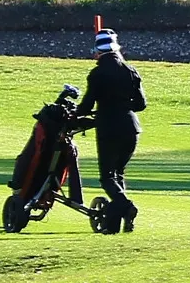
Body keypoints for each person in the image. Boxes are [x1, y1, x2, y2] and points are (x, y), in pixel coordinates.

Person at [74, 28, 146, 232]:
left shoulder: (97, 74)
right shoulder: (130, 70)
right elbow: (141, 104)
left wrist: (79, 114)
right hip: (132, 128)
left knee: (107, 177)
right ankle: (113, 224)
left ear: (98, 51)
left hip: (108, 129)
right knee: (118, 174)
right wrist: (122, 105)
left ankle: (127, 207)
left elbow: (86, 106)